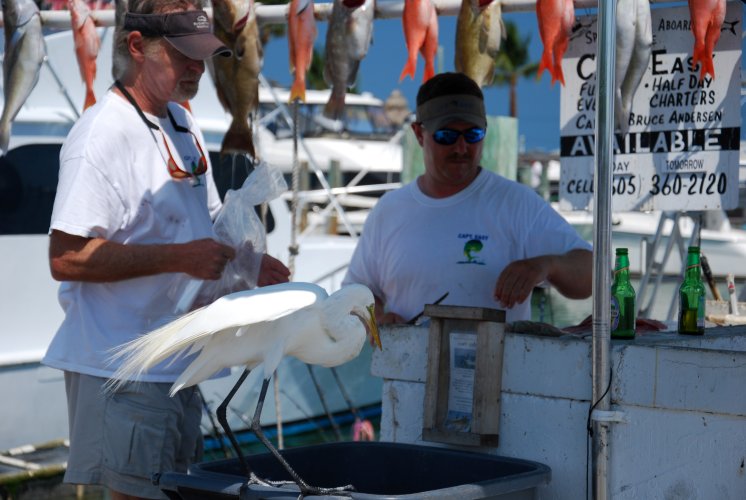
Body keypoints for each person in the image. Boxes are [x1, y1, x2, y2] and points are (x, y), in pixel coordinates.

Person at [42, 1, 290, 499]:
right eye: (183, 56)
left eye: (202, 56)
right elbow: (65, 257)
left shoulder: (182, 122)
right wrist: (178, 258)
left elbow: (208, 222)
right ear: (137, 47)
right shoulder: (101, 135)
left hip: (178, 365)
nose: (197, 69)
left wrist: (248, 261)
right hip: (123, 370)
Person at [343, 72, 592, 325]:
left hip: (496, 364)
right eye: (446, 136)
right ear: (419, 134)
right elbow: (355, 295)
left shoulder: (516, 203)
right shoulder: (389, 210)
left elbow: (594, 274)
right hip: (404, 364)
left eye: (473, 135)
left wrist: (546, 265)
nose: (461, 148)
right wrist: (378, 319)